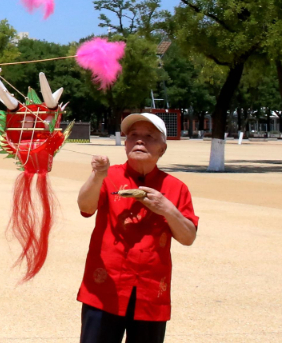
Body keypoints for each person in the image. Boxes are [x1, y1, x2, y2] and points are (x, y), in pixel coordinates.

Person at [76, 113, 199, 343]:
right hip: (105, 287)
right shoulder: (108, 176)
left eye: (149, 136)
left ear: (162, 148)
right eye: (133, 135)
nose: (140, 141)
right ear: (126, 144)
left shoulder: (176, 188)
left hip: (150, 292)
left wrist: (167, 209)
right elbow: (85, 206)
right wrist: (97, 176)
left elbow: (188, 237)